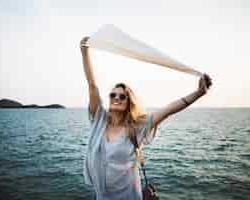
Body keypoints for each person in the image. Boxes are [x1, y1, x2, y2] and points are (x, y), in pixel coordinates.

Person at [80, 36, 212, 200]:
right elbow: (92, 85)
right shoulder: (98, 120)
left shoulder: (137, 128)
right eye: (113, 94)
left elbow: (168, 109)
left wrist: (199, 93)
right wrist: (85, 51)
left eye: (122, 97)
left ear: (129, 103)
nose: (116, 98)